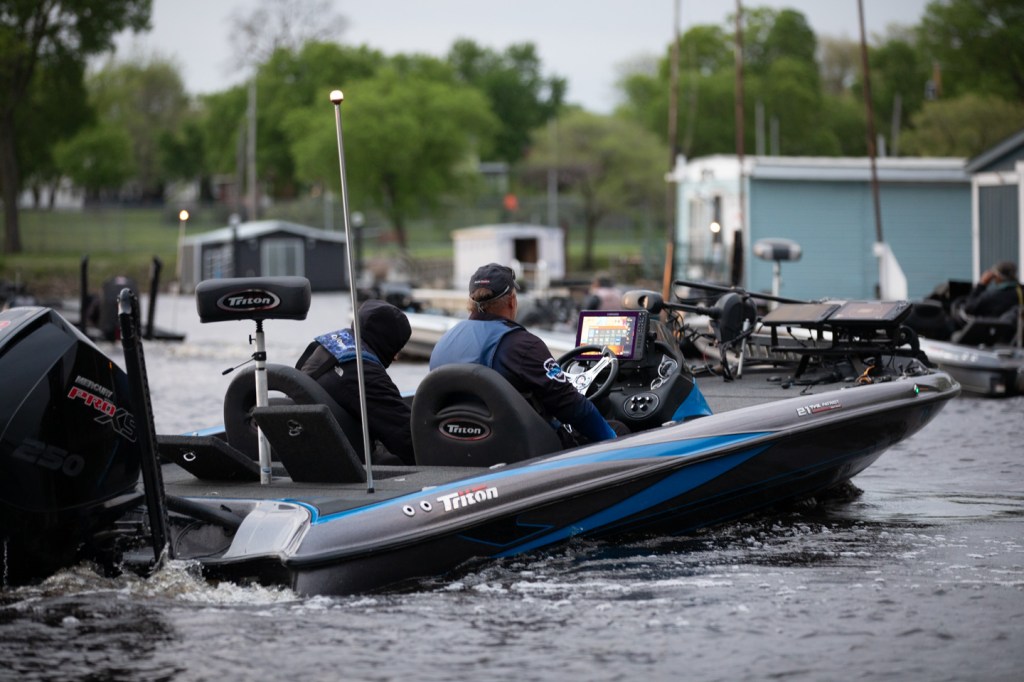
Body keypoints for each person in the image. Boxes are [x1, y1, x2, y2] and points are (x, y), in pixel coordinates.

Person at [430, 262, 617, 445]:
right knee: (619, 428)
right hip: (518, 450)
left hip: (456, 446)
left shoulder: (444, 341)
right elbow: (571, 404)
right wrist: (612, 439)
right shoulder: (523, 346)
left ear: (470, 301)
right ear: (512, 301)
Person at [296, 299, 414, 465]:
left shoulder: (323, 347)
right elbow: (407, 437)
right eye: (396, 348)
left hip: (308, 446)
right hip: (343, 463)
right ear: (385, 341)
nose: (396, 357)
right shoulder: (364, 371)